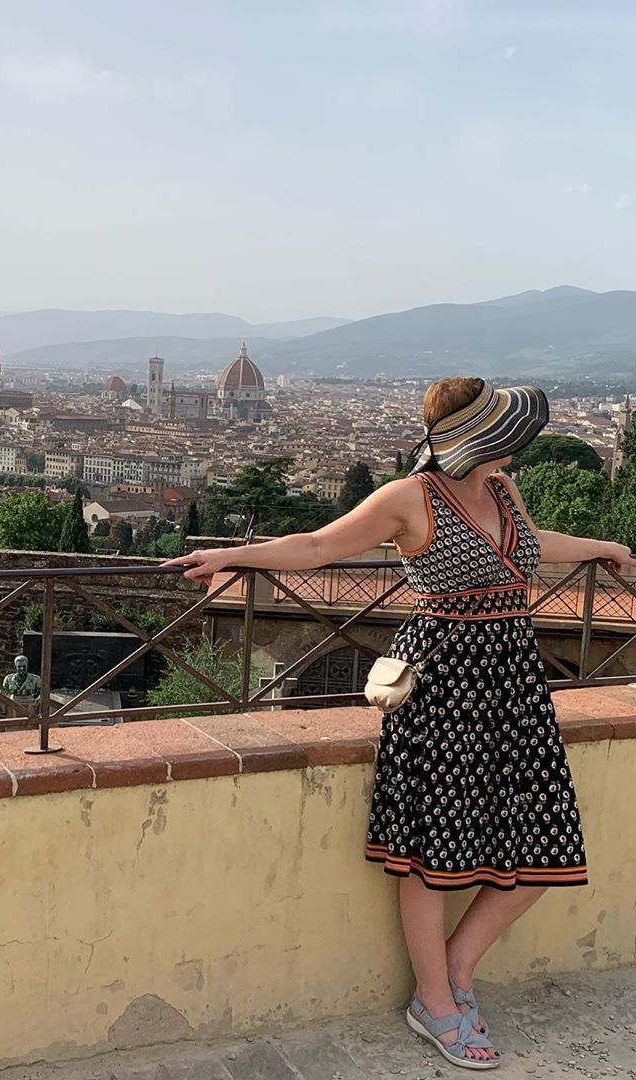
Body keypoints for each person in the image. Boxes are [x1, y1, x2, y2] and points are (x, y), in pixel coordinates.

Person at [164, 378, 636, 1071]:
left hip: (514, 684)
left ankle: (456, 969)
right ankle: (436, 1001)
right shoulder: (409, 497)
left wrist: (603, 545)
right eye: (503, 432)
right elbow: (317, 545)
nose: (515, 443)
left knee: (546, 837)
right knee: (431, 852)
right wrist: (234, 556)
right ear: (473, 436)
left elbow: (532, 544)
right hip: (443, 685)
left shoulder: (502, 489)